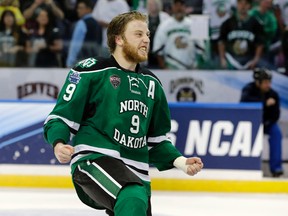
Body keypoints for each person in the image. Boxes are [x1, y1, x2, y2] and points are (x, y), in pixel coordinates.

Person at [43, 11, 203, 216]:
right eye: (138, 34)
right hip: (94, 159)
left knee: (135, 201)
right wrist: (58, 143)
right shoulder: (90, 71)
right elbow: (60, 117)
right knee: (132, 196)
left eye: (147, 35)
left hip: (136, 172)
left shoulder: (153, 84)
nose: (146, 39)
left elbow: (156, 140)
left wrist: (181, 162)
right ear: (118, 39)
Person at [240, 68, 284, 177]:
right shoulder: (248, 90)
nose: (268, 85)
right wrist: (264, 103)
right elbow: (244, 105)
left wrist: (267, 122)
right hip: (250, 124)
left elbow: (276, 115)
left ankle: (276, 168)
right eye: (265, 82)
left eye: (269, 82)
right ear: (258, 82)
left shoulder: (273, 94)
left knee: (276, 133)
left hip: (267, 123)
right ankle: (247, 166)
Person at [152, 0, 205, 70]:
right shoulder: (164, 26)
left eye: (181, 5)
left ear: (185, 7)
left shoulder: (194, 24)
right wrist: (164, 67)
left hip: (191, 69)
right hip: (171, 68)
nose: (179, 8)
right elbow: (157, 50)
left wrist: (198, 66)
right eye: (176, 5)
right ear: (172, 7)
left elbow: (201, 49)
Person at [218, 0, 266, 70]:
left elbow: (260, 44)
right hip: (231, 60)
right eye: (240, 3)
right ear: (237, 4)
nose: (243, 6)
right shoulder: (227, 23)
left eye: (245, 4)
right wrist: (222, 59)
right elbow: (221, 42)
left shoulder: (256, 23)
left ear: (249, 6)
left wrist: (256, 59)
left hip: (250, 60)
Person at [65, 0, 102, 68]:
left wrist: (69, 62)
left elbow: (75, 45)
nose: (78, 10)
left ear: (88, 9)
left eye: (81, 8)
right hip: (95, 62)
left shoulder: (82, 23)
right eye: (78, 8)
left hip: (81, 61)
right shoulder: (97, 24)